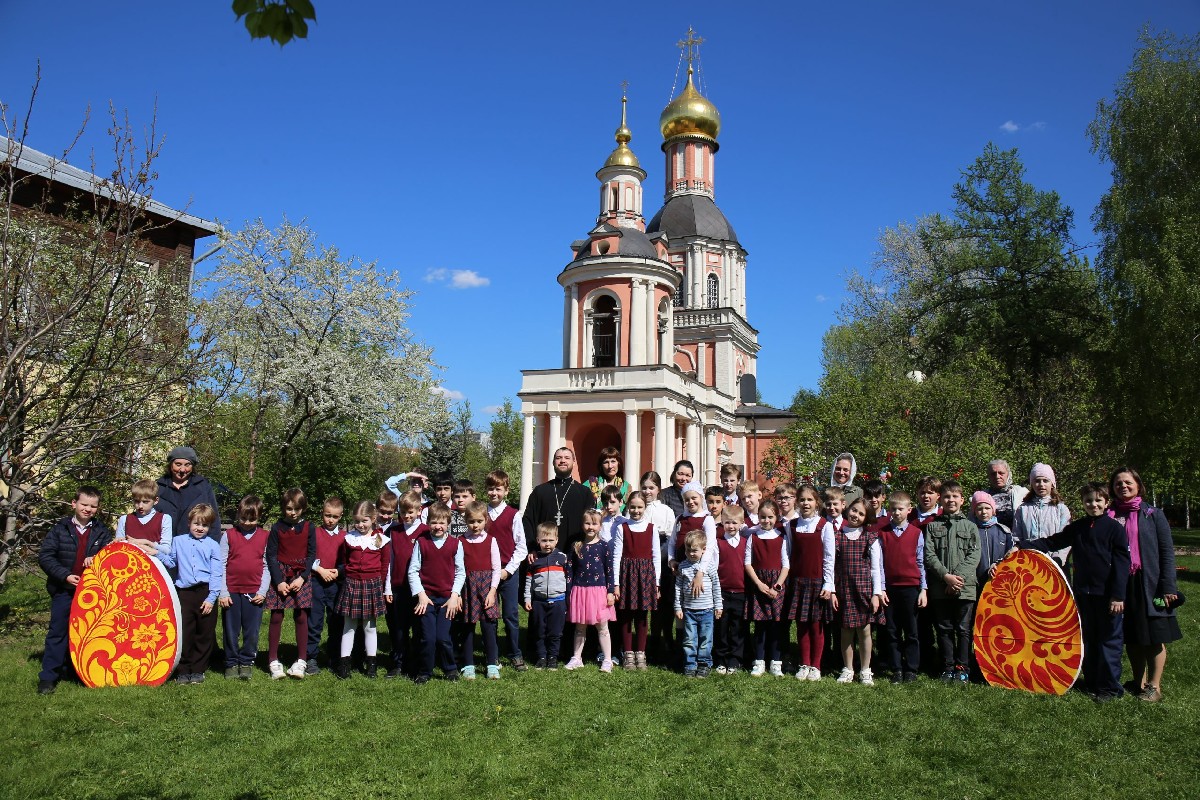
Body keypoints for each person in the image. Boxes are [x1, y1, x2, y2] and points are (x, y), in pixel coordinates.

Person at [1019, 482, 1130, 701]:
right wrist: (1023, 545)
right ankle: (1092, 681)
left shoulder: (1115, 529)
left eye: (1098, 500)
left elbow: (1122, 563)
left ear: (1106, 502)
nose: (1093, 505)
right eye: (1089, 501)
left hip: (1107, 596)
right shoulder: (1078, 527)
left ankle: (1109, 687)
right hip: (1083, 594)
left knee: (1108, 641)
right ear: (1083, 503)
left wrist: (1118, 596)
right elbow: (1053, 542)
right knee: (1088, 638)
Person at [1108, 467, 1181, 703]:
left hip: (1150, 584)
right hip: (1122, 584)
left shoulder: (1153, 514)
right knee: (1132, 636)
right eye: (1118, 483)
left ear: (1138, 485)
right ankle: (1137, 681)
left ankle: (1154, 686)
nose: (1123, 486)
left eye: (1128, 482)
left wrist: (1168, 586)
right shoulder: (1109, 515)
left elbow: (1166, 552)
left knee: (1154, 635)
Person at [36, 486, 113, 694]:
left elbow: (110, 557)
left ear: (98, 508)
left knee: (88, 632)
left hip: (92, 592)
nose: (88, 509)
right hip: (64, 590)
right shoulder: (60, 529)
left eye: (93, 506)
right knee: (58, 632)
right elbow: (46, 556)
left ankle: (79, 671)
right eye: (84, 504)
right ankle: (48, 677)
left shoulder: (102, 531)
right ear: (74, 504)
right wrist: (65, 575)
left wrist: (96, 558)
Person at [923, 480, 980, 684]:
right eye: (947, 496)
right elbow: (929, 555)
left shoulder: (971, 527)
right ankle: (947, 666)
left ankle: (962, 667)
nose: (951, 500)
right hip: (940, 587)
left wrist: (956, 579)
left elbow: (974, 555)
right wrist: (946, 577)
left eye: (955, 496)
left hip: (965, 588)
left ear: (962, 500)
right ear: (941, 500)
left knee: (963, 629)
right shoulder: (932, 526)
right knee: (944, 628)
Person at [166, 504, 224, 685]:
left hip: (205, 592)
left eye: (204, 525)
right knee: (186, 632)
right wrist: (155, 552)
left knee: (204, 632)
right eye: (196, 524)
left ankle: (198, 669)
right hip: (185, 594)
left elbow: (216, 573)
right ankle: (183, 669)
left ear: (210, 527)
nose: (200, 528)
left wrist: (211, 598)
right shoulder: (178, 541)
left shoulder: (213, 545)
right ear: (189, 523)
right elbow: (171, 561)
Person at [408, 503, 465, 684]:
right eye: (434, 522)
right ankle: (425, 671)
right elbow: (413, 571)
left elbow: (460, 572)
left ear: (448, 523)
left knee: (443, 638)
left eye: (442, 523)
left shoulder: (455, 544)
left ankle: (450, 669)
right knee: (428, 638)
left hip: (447, 600)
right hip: (427, 599)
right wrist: (421, 595)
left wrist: (455, 596)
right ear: (428, 523)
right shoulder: (421, 542)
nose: (438, 526)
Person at [830, 498, 884, 686]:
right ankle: (848, 669)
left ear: (866, 518)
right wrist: (832, 591)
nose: (856, 515)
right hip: (844, 589)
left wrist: (876, 594)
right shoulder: (837, 536)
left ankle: (865, 669)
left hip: (863, 590)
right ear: (848, 509)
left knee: (865, 631)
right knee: (846, 631)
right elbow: (830, 565)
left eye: (861, 514)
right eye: (854, 510)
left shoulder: (870, 538)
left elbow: (876, 568)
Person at [334, 501, 390, 679]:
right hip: (352, 584)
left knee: (369, 627)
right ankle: (344, 665)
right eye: (357, 521)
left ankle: (371, 665)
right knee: (349, 626)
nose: (360, 525)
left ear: (373, 519)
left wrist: (382, 586)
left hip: (372, 585)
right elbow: (344, 561)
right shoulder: (349, 538)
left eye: (364, 521)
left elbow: (385, 566)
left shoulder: (380, 539)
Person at [265, 487, 316, 680]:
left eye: (296, 509)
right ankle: (273, 659)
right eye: (288, 508)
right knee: (276, 616)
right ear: (283, 508)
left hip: (301, 576)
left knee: (301, 616)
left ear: (303, 508)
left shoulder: (309, 527)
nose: (293, 512)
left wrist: (303, 577)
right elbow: (271, 556)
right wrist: (278, 581)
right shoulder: (276, 528)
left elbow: (311, 554)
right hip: (280, 574)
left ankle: (301, 660)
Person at [785, 484, 834, 681]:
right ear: (797, 502)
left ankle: (816, 665)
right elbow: (788, 553)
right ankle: (804, 663)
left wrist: (828, 584)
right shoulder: (792, 526)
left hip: (817, 582)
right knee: (802, 625)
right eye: (802, 500)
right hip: (798, 582)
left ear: (817, 502)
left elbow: (829, 557)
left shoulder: (824, 525)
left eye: (810, 499)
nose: (806, 503)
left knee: (816, 625)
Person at [218, 495, 270, 680]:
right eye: (243, 518)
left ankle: (247, 661)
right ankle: (231, 662)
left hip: (254, 592)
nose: (247, 523)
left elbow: (267, 566)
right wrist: (223, 592)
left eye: (252, 519)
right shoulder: (229, 535)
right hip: (231, 591)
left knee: (251, 630)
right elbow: (221, 564)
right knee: (230, 630)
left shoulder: (265, 537)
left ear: (259, 517)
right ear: (238, 515)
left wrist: (262, 591)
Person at [878, 491, 926, 683]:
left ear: (909, 510)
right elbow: (879, 564)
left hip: (911, 588)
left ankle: (911, 668)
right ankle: (896, 668)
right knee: (892, 630)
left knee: (911, 630)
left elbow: (921, 563)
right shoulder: (883, 534)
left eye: (900, 509)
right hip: (890, 588)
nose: (896, 512)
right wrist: (881, 588)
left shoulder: (916, 533)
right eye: (893, 509)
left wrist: (923, 589)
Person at [484, 470, 527, 672]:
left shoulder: (513, 515)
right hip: (486, 574)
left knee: (510, 615)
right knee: (490, 616)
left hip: (508, 573)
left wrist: (507, 570)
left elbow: (521, 548)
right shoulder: (481, 513)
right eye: (491, 488)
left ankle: (515, 653)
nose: (494, 493)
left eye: (498, 489)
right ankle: (492, 655)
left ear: (506, 491)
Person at [612, 491, 660, 670]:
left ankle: (641, 652)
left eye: (640, 507)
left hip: (646, 576)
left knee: (642, 616)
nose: (636, 510)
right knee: (625, 616)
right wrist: (616, 583)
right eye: (632, 507)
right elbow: (616, 556)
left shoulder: (652, 528)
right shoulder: (622, 528)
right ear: (628, 507)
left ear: (645, 507)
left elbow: (656, 556)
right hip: (627, 575)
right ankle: (628, 653)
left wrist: (657, 583)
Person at [454, 502, 502, 680]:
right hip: (468, 588)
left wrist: (492, 591)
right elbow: (457, 568)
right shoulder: (460, 541)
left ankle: (492, 664)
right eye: (471, 521)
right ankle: (468, 665)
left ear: (485, 520)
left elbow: (496, 568)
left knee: (489, 627)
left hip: (487, 588)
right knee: (467, 627)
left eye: (479, 521)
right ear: (466, 521)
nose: (475, 525)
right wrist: (457, 594)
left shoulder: (491, 540)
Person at [565, 509, 616, 672]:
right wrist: (569, 591)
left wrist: (610, 591)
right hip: (579, 591)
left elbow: (610, 570)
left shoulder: (604, 546)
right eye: (587, 523)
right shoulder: (576, 546)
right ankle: (576, 657)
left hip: (599, 591)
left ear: (600, 526)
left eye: (594, 523)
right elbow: (570, 570)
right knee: (580, 627)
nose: (591, 527)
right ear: (582, 525)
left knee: (602, 627)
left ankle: (607, 659)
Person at [383, 491, 427, 678]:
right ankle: (399, 662)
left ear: (419, 510)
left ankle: (415, 664)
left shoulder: (425, 531)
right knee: (399, 628)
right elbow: (388, 561)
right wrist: (387, 588)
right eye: (403, 512)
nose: (407, 516)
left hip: (419, 590)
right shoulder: (393, 532)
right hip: (398, 587)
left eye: (410, 512)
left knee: (418, 628)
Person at [744, 500, 790, 676]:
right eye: (762, 517)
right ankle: (759, 661)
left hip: (776, 585)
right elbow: (747, 563)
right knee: (760, 626)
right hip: (759, 585)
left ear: (776, 517)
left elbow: (786, 565)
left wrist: (777, 586)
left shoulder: (781, 537)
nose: (766, 520)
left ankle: (776, 662)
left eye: (770, 517)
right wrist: (758, 584)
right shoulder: (753, 537)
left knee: (776, 625)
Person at [307, 496, 347, 675]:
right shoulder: (314, 533)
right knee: (314, 621)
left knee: (336, 621)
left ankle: (334, 657)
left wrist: (338, 571)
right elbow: (306, 556)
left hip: (336, 584)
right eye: (327, 515)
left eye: (335, 517)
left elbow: (348, 561)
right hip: (316, 581)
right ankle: (311, 657)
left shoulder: (345, 537)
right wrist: (320, 569)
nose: (330, 520)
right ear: (322, 514)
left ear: (341, 516)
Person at [522, 447, 589, 552]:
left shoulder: (584, 493)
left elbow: (590, 524)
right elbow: (528, 522)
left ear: (574, 462)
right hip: (543, 554)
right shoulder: (539, 491)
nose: (562, 461)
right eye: (558, 458)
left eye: (567, 458)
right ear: (553, 462)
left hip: (575, 554)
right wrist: (531, 548)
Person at [675, 530, 723, 677]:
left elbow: (716, 586)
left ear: (704, 550)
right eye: (688, 550)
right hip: (689, 610)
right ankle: (690, 664)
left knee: (705, 640)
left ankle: (704, 664)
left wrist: (718, 606)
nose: (691, 553)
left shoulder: (709, 566)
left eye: (694, 550)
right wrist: (678, 607)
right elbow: (678, 588)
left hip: (707, 610)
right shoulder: (683, 567)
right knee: (689, 639)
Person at [524, 522, 570, 669]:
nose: (547, 544)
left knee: (555, 632)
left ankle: (553, 657)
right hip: (539, 602)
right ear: (538, 540)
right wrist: (527, 598)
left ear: (557, 540)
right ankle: (541, 657)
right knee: (539, 631)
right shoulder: (534, 560)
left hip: (558, 601)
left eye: (551, 540)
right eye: (544, 540)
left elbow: (568, 580)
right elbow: (528, 581)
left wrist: (568, 600)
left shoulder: (563, 558)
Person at [154, 445, 221, 539]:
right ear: (170, 465)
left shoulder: (203, 487)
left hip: (195, 544)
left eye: (187, 465)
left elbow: (214, 520)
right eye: (178, 464)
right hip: (162, 544)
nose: (182, 470)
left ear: (192, 466)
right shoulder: (158, 487)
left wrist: (213, 544)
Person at [1012, 463, 1071, 567]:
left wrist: (1057, 560)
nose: (1041, 484)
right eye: (1037, 481)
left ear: (1052, 483)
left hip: (1054, 563)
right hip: (1029, 563)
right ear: (1032, 484)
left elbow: (1065, 538)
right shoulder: (1022, 509)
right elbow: (1016, 537)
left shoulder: (1061, 509)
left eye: (1045, 481)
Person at [713, 506, 748, 674]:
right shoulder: (718, 543)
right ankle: (720, 659)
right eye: (727, 522)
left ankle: (735, 659)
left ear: (741, 524)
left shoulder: (746, 543)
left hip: (741, 592)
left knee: (738, 628)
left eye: (734, 523)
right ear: (722, 523)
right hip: (722, 593)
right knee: (721, 627)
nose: (731, 526)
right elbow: (714, 568)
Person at [115, 479, 172, 560]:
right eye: (137, 501)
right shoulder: (124, 519)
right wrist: (119, 541)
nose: (140, 506)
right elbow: (118, 548)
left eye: (145, 502)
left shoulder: (164, 519)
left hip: (154, 563)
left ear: (156, 501)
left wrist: (148, 543)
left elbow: (167, 550)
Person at [972, 492, 1013, 589]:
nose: (984, 512)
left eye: (987, 508)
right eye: (979, 509)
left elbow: (1010, 554)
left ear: (993, 510)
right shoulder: (971, 531)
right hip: (976, 582)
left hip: (1000, 579)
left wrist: (998, 564)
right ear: (974, 511)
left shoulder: (1004, 531)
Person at [986, 459, 1029, 529]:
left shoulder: (1021, 493)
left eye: (1001, 473)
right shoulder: (982, 496)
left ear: (1008, 474)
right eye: (993, 474)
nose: (997, 476)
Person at [586, 446, 632, 510]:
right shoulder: (590, 484)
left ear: (618, 463)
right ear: (601, 466)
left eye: (613, 461)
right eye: (606, 462)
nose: (610, 466)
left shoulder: (626, 487)